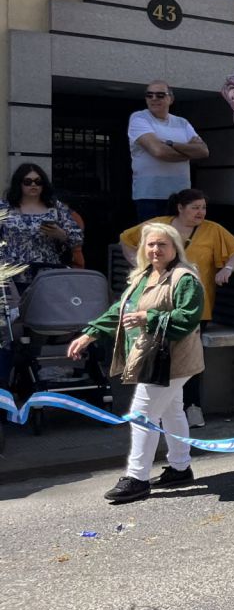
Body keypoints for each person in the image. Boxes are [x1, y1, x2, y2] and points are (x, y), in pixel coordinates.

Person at [67, 223, 204, 504]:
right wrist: (90, 334)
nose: (155, 249)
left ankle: (137, 478)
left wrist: (148, 318)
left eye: (162, 244)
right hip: (152, 356)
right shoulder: (143, 275)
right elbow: (121, 309)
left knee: (143, 414)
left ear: (175, 247)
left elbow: (188, 318)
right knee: (171, 410)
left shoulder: (185, 278)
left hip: (169, 359)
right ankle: (180, 467)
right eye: (151, 244)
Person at [121, 189, 234, 428]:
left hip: (194, 306)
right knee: (157, 355)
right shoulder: (160, 225)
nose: (201, 212)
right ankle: (159, 411)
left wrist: (227, 269)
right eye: (195, 207)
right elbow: (126, 239)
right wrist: (139, 266)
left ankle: (192, 406)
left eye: (203, 207)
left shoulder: (213, 229)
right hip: (157, 301)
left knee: (187, 359)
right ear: (180, 208)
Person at [127, 81, 208, 222]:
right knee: (154, 241)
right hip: (150, 195)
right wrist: (188, 152)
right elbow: (159, 151)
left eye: (160, 95)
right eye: (149, 95)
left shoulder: (182, 122)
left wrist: (172, 144)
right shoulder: (139, 118)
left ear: (171, 99)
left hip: (181, 196)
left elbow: (203, 151)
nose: (154, 99)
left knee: (179, 240)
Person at [1, 163, 83, 293]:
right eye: (28, 181)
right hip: (12, 274)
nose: (33, 185)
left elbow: (77, 238)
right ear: (19, 184)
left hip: (46, 272)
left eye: (38, 181)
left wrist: (61, 234)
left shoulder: (55, 207)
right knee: (15, 312)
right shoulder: (4, 208)